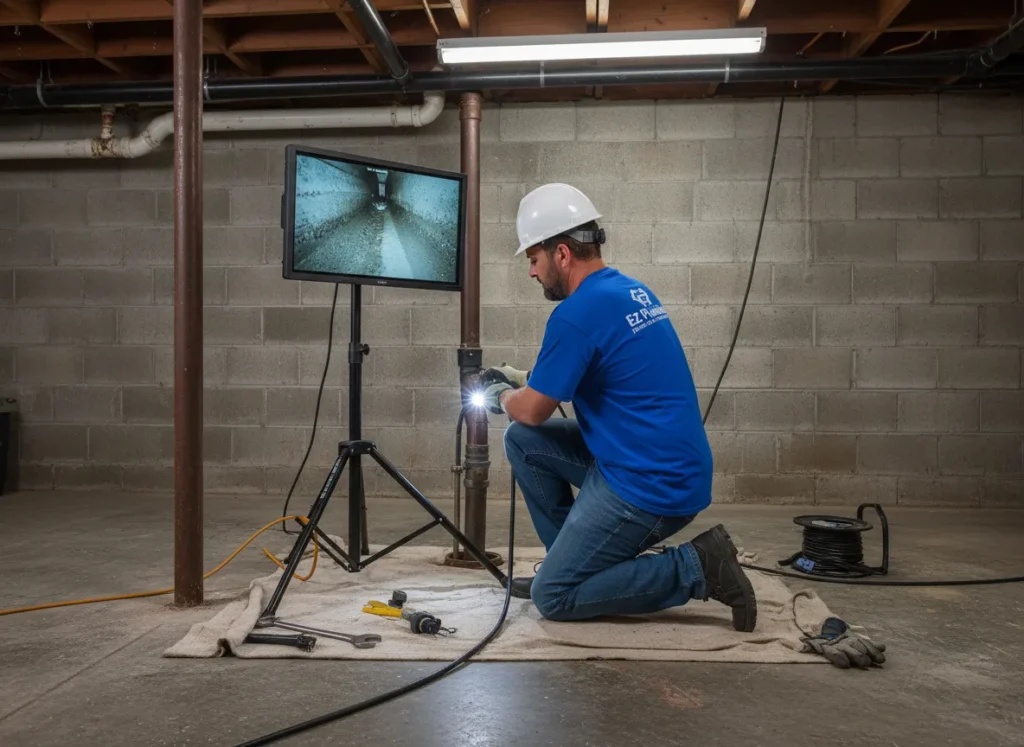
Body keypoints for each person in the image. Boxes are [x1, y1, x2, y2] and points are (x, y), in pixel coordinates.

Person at [480, 183, 757, 632]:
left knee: (554, 596)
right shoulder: (628, 292)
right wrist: (527, 381)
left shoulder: (575, 315)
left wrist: (501, 396)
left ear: (563, 254)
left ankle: (698, 567)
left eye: (533, 259)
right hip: (658, 461)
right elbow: (598, 370)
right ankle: (571, 562)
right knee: (524, 443)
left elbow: (531, 411)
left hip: (649, 484)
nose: (532, 272)